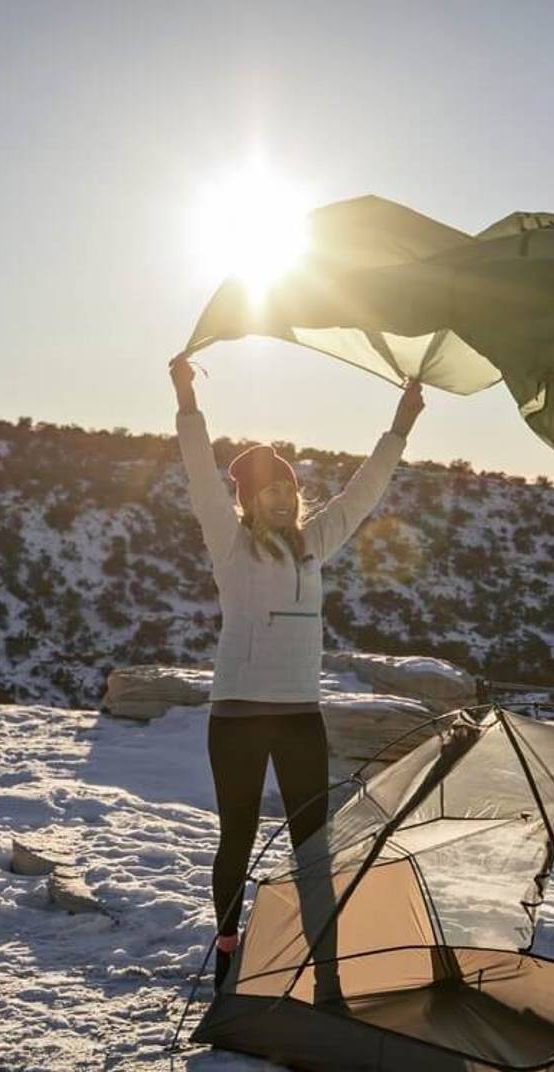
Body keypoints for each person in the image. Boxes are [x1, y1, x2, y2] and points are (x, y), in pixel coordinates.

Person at [169, 355, 425, 987]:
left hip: (299, 714)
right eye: (267, 492)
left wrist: (401, 425)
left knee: (313, 841)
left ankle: (324, 958)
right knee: (238, 835)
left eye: (287, 489)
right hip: (237, 715)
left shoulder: (316, 544)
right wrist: (186, 400)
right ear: (249, 502)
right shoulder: (231, 546)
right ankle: (229, 945)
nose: (281, 499)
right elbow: (200, 474)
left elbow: (363, 492)